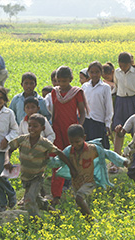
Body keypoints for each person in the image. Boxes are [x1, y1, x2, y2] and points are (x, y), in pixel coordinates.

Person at [4, 113, 76, 218]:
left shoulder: (44, 143)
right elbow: (9, 149)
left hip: (37, 178)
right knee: (38, 200)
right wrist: (7, 161)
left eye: (35, 126)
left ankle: (36, 222)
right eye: (30, 125)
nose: (31, 128)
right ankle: (54, 213)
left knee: (29, 200)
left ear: (42, 128)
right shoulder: (22, 139)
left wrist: (71, 167)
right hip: (25, 177)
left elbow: (59, 152)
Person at [58, 124, 128, 220]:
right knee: (82, 204)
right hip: (76, 183)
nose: (75, 145)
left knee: (79, 198)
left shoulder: (92, 149)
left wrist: (122, 161)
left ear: (84, 137)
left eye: (77, 141)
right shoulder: (68, 150)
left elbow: (108, 153)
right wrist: (46, 160)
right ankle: (89, 223)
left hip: (89, 182)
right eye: (72, 142)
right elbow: (58, 161)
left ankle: (92, 222)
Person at [51, 65, 87, 205]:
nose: (62, 84)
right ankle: (56, 194)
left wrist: (80, 127)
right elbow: (54, 112)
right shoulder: (55, 92)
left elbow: (82, 112)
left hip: (72, 130)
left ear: (71, 79)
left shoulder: (77, 92)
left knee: (75, 159)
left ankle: (78, 190)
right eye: (59, 81)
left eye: (65, 81)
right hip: (58, 130)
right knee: (58, 160)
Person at [110, 52, 135, 173]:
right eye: (120, 65)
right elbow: (116, 86)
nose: (122, 68)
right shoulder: (117, 72)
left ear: (129, 64)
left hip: (133, 101)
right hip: (120, 102)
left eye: (124, 66)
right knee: (118, 130)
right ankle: (115, 162)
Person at [82, 61, 113, 149]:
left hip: (98, 121)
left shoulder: (105, 87)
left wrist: (107, 124)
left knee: (98, 148)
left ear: (101, 73)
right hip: (87, 120)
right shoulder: (85, 86)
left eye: (97, 72)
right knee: (86, 147)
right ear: (88, 73)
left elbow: (109, 107)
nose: (94, 75)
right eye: (92, 72)